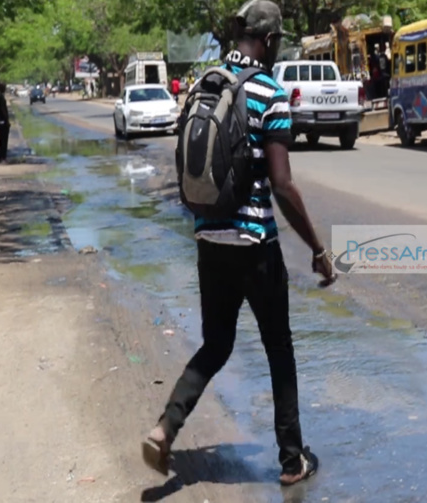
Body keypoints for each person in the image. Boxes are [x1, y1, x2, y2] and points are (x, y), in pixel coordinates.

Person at [142, 0, 336, 486]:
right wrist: (317, 247)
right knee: (279, 348)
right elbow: (282, 184)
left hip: (210, 239)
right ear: (269, 41)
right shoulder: (268, 93)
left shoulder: (205, 83)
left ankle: (166, 427)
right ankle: (293, 459)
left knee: (217, 344)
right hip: (254, 245)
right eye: (280, 41)